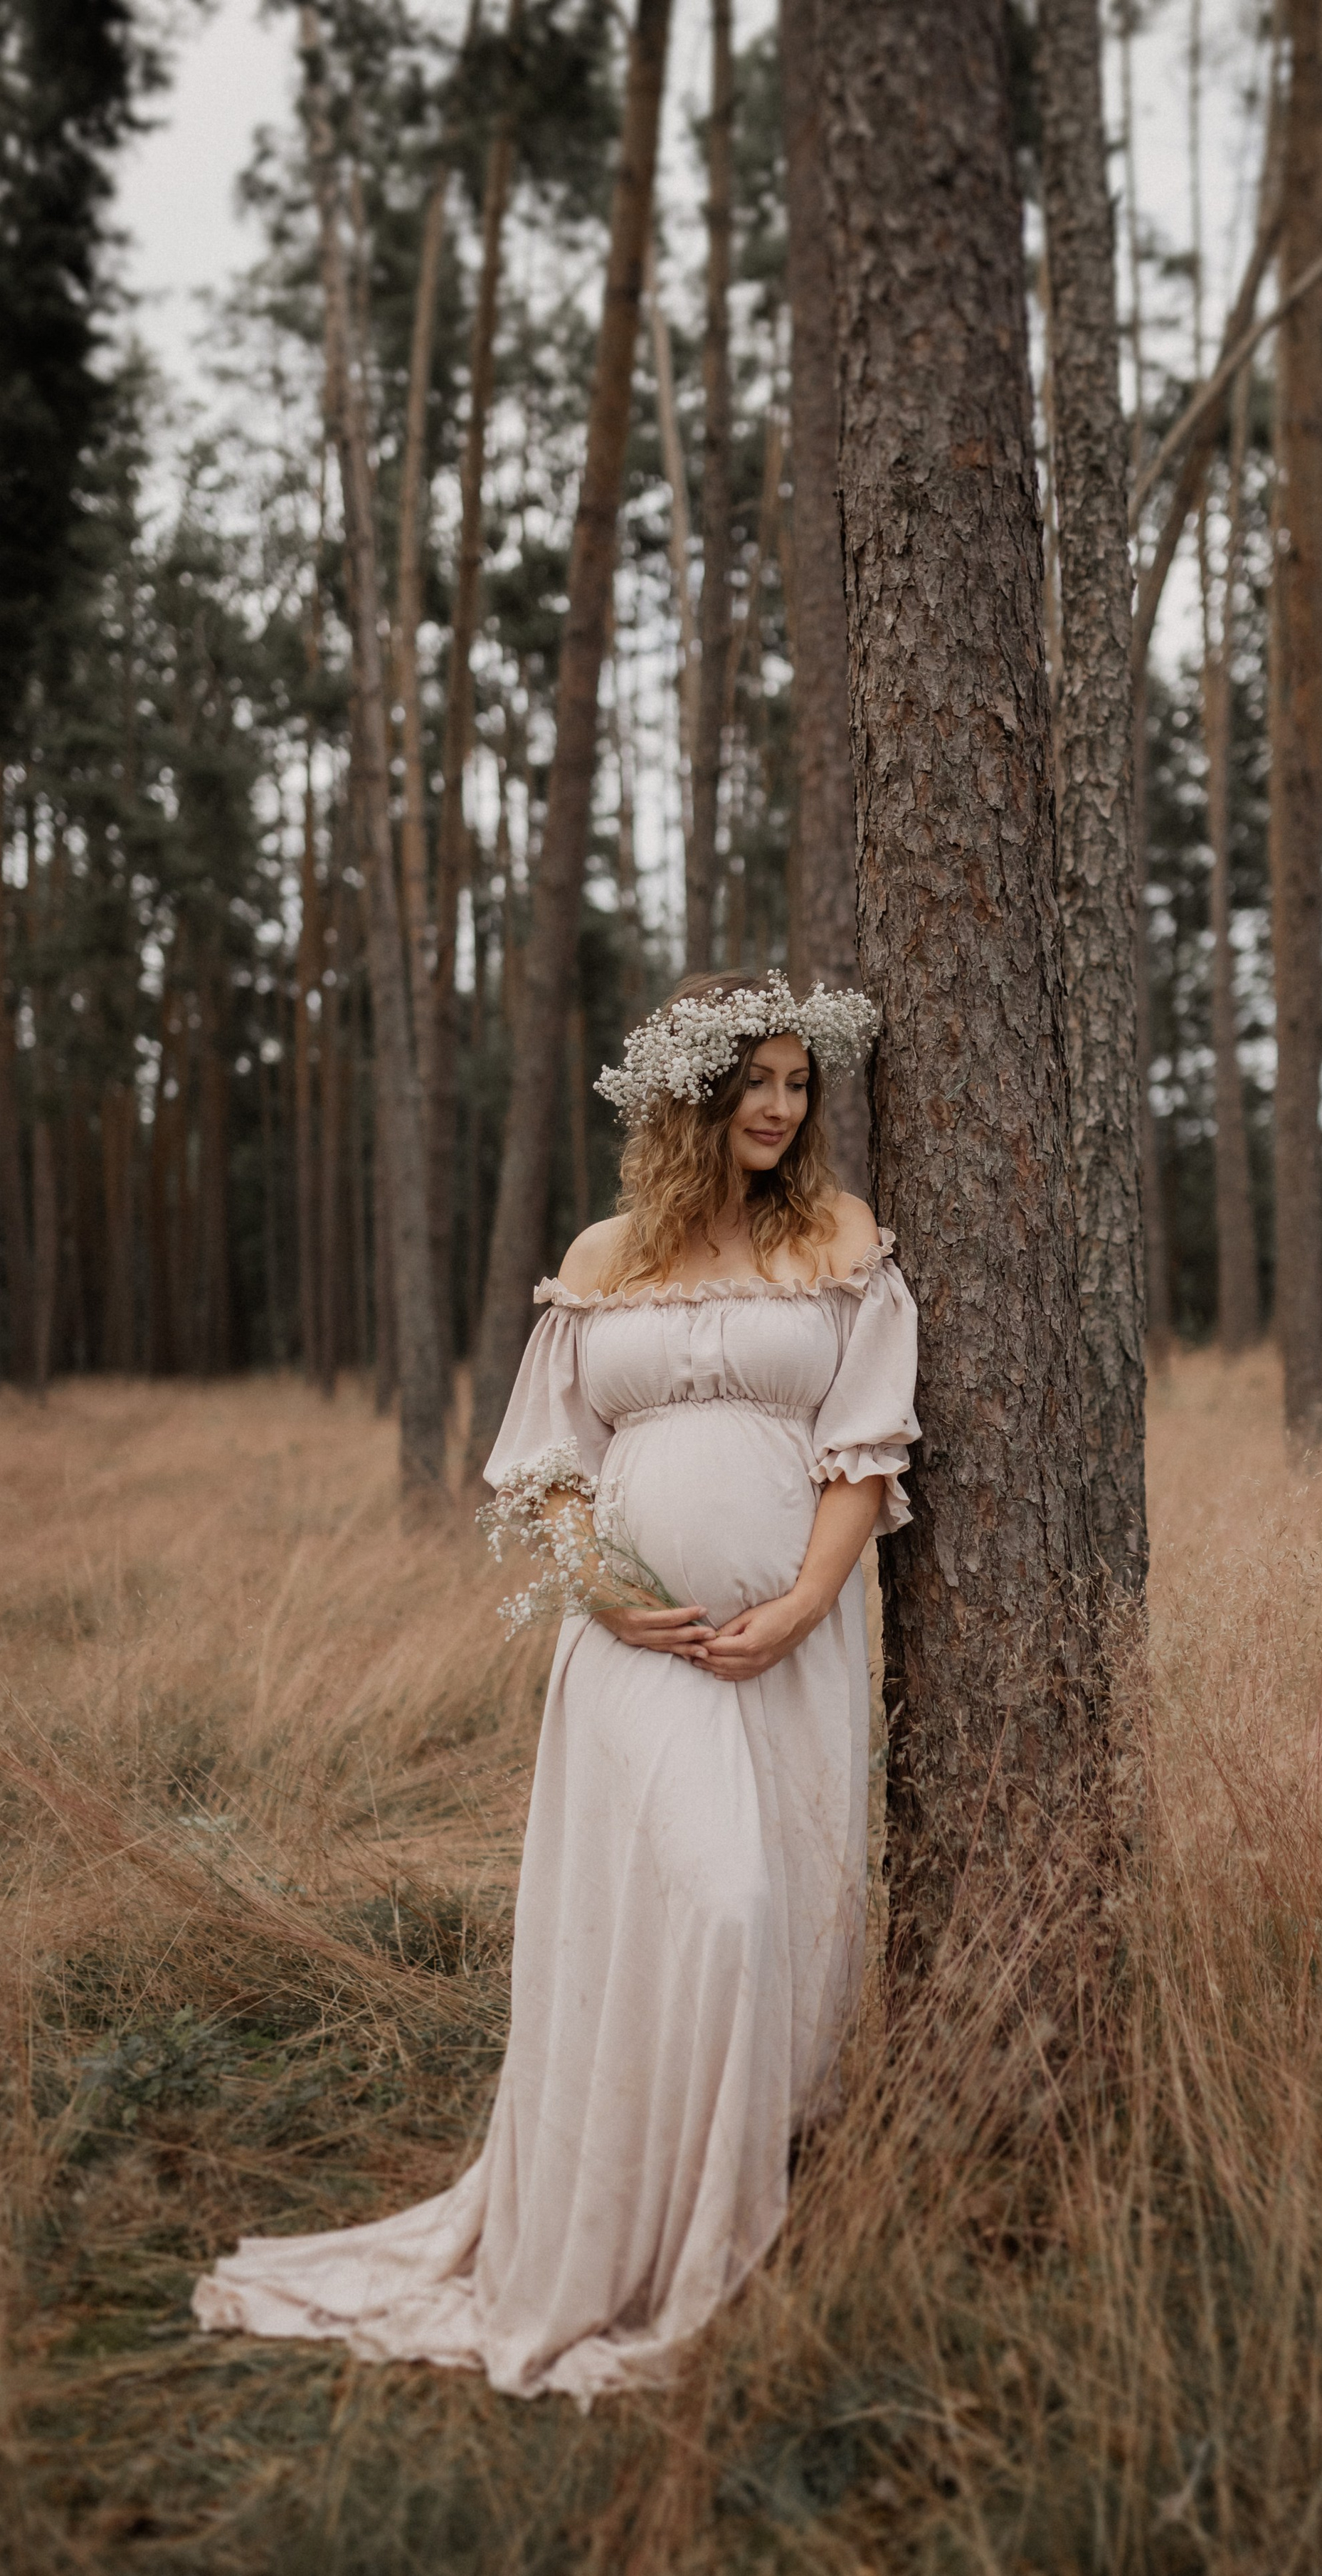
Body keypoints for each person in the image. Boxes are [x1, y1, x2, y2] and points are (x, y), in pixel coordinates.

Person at [194, 971, 919, 2402]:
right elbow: (546, 1460)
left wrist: (799, 1605)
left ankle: (728, 2237)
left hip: (789, 1643)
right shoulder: (600, 1258)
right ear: (684, 1097)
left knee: (775, 1928)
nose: (778, 1106)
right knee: (706, 1908)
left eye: (794, 1083)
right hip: (630, 1654)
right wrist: (598, 1586)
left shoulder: (836, 1240)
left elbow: (866, 1447)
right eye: (750, 1082)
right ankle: (627, 2233)